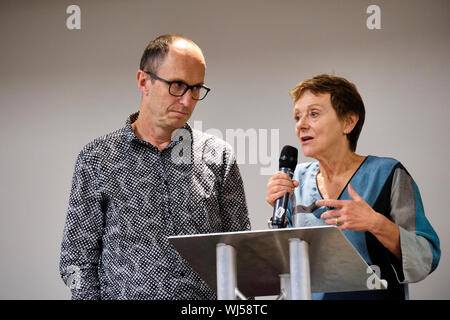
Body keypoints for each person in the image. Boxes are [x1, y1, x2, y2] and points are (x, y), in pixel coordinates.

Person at [59, 34, 251, 300]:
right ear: (143, 81)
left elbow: (240, 253)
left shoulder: (218, 157)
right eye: (177, 85)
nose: (187, 100)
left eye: (196, 88)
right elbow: (77, 259)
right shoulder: (97, 158)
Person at [266, 74, 440, 299]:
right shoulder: (294, 179)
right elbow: (283, 265)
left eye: (314, 114)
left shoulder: (388, 174)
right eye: (297, 117)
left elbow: (426, 257)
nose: (301, 125)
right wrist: (276, 212)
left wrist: (375, 223)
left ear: (349, 122)